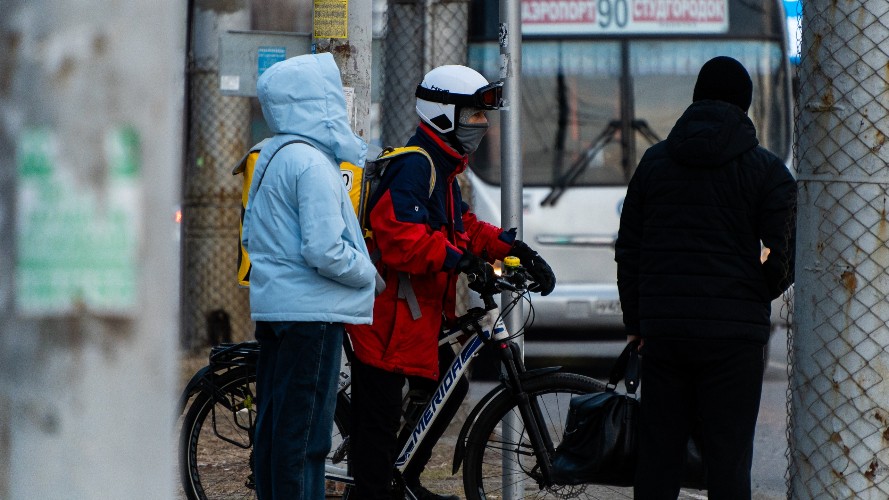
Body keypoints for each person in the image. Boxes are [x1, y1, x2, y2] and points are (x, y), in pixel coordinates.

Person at [346, 64, 557, 500]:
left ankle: (403, 480)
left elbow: (463, 227)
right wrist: (459, 262)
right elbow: (400, 237)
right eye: (473, 116)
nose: (481, 126)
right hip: (386, 322)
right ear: (443, 115)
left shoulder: (441, 168)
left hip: (412, 319)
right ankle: (376, 489)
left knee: (449, 384)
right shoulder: (415, 166)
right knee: (378, 423)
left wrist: (515, 252)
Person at [614, 56, 797, 499]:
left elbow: (629, 250)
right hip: (734, 340)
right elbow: (784, 253)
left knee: (659, 458)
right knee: (728, 458)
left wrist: (637, 324)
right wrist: (756, 291)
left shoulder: (654, 164)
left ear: (695, 98)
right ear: (746, 104)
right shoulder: (768, 171)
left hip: (665, 334)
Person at [242, 53, 378, 500]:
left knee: (276, 431)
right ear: (315, 103)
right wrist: (366, 273)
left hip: (277, 307)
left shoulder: (270, 155)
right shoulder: (314, 166)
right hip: (312, 314)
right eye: (331, 96)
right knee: (306, 440)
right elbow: (323, 250)